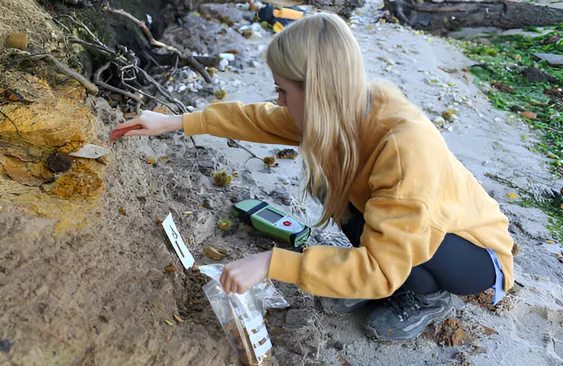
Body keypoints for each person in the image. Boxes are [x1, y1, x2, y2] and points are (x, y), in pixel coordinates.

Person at [111, 13, 515, 341]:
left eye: (284, 91)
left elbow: (379, 269)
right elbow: (261, 119)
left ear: (319, 90)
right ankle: (376, 280)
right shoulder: (346, 107)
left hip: (473, 253)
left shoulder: (405, 150)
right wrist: (174, 121)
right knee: (328, 183)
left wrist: (273, 263)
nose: (278, 101)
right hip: (412, 225)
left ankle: (428, 297)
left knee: (387, 265)